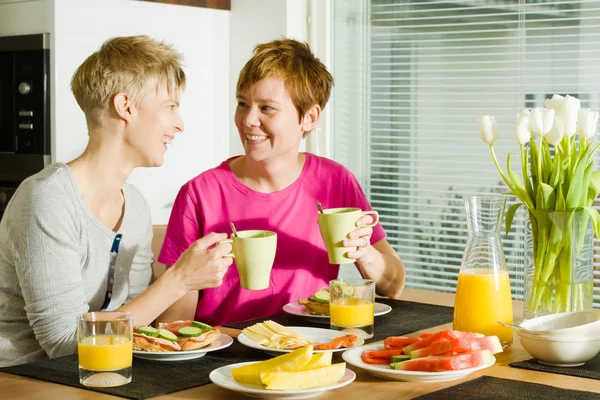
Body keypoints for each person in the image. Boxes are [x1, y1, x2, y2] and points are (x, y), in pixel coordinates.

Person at [0, 35, 233, 367]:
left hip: (100, 375)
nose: (179, 124)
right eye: (170, 106)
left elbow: (137, 318)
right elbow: (66, 345)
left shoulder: (134, 205)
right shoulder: (47, 199)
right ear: (126, 107)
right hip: (25, 380)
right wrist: (179, 279)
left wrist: (191, 281)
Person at [158, 38, 406, 326]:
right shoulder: (200, 194)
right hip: (225, 358)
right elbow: (174, 325)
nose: (248, 119)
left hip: (313, 349)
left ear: (309, 117)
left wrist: (363, 251)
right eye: (242, 104)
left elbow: (393, 285)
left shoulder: (335, 182)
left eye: (266, 108)